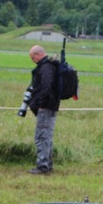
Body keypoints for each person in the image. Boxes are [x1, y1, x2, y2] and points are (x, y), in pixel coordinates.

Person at [25, 44, 61, 175]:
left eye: (33, 58)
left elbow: (46, 87)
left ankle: (43, 166)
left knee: (41, 137)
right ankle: (47, 164)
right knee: (47, 137)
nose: (33, 61)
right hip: (51, 106)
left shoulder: (46, 67)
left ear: (38, 54)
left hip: (46, 107)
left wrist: (40, 104)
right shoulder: (51, 66)